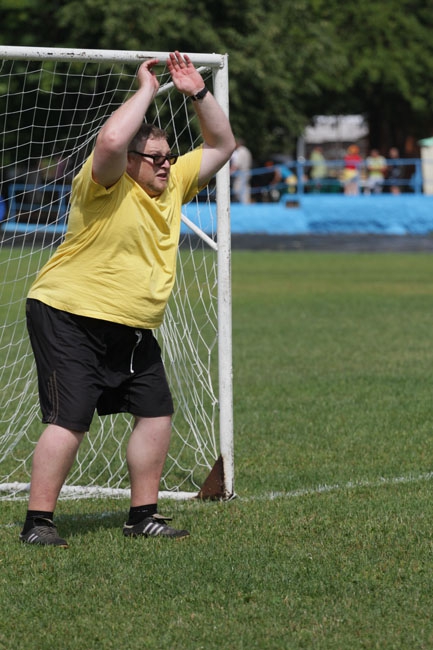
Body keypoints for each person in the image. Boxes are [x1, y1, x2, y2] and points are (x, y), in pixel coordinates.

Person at [19, 51, 236, 548]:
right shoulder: (104, 183)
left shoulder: (174, 183)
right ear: (131, 162)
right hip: (68, 313)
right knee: (71, 419)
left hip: (132, 324)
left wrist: (198, 94)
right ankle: (38, 522)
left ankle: (143, 516)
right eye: (154, 157)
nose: (166, 164)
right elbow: (112, 141)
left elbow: (223, 144)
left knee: (156, 411)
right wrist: (147, 89)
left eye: (168, 156)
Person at [230, 138, 253, 203]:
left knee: (237, 189)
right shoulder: (247, 150)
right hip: (247, 172)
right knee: (245, 188)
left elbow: (237, 164)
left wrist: (230, 172)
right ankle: (246, 203)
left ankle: (243, 203)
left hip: (241, 173)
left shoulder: (240, 151)